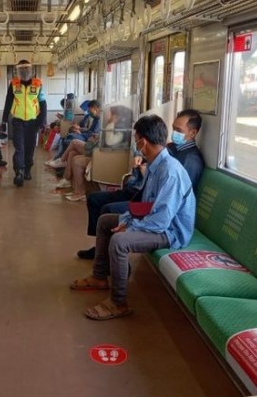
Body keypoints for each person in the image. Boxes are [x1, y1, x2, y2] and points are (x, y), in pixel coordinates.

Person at [70, 115, 196, 320]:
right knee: (106, 221)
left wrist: (131, 227)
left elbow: (161, 220)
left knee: (120, 241)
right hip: (158, 221)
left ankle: (118, 302)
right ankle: (99, 276)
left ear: (143, 142)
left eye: (137, 140)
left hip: (171, 231)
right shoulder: (156, 165)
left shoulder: (170, 172)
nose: (137, 145)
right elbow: (144, 205)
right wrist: (127, 220)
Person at [77, 109, 205, 260]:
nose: (173, 133)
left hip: (166, 219)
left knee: (109, 212)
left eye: (178, 130)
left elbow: (168, 204)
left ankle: (106, 251)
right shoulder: (171, 148)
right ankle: (102, 249)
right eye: (173, 128)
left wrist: (132, 225)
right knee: (97, 202)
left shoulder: (187, 162)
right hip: (146, 196)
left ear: (192, 133)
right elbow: (152, 157)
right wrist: (141, 158)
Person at [2, 60, 47, 187]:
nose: (24, 72)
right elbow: (8, 102)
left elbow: (43, 103)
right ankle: (19, 172)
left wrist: (43, 121)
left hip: (33, 122)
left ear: (31, 70)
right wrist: (4, 120)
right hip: (18, 121)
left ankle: (27, 169)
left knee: (30, 147)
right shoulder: (14, 84)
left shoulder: (38, 84)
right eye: (21, 69)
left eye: (26, 69)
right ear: (17, 71)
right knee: (19, 148)